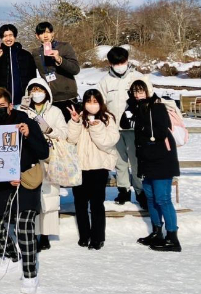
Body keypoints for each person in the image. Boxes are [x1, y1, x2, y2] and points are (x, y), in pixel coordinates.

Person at [0, 87, 49, 294]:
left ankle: (30, 274)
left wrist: (30, 135)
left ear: (10, 105)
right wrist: (5, 175)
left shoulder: (26, 121)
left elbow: (44, 152)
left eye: (2, 106)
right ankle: (14, 255)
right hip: (3, 181)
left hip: (28, 178)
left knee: (24, 227)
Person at [121, 79, 181, 252]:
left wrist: (141, 121)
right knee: (151, 197)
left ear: (148, 91)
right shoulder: (134, 107)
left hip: (162, 159)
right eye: (135, 92)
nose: (138, 95)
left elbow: (162, 131)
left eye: (141, 91)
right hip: (146, 160)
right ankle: (157, 232)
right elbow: (125, 124)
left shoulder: (157, 106)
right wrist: (131, 114)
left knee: (162, 198)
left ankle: (172, 237)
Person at [19, 78, 69, 251]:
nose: (36, 93)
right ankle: (31, 232)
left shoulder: (55, 111)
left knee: (49, 195)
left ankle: (46, 234)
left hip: (49, 156)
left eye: (40, 90)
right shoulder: (23, 110)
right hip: (30, 155)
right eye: (33, 90)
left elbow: (64, 133)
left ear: (46, 92)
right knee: (32, 194)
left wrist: (48, 130)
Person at [66, 89, 119, 250]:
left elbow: (107, 142)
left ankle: (97, 237)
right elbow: (70, 140)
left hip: (99, 167)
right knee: (80, 203)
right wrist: (74, 122)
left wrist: (97, 127)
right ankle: (84, 235)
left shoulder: (108, 118)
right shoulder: (80, 117)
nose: (92, 105)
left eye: (95, 102)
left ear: (100, 102)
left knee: (96, 203)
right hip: (80, 166)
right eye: (88, 102)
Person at [98, 46, 146, 207]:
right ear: (110, 63)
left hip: (135, 128)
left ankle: (140, 191)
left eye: (122, 62)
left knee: (137, 160)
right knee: (120, 161)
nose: (119, 65)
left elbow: (149, 97)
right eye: (115, 63)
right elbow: (100, 103)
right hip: (114, 129)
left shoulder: (137, 77)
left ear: (127, 61)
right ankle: (123, 190)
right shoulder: (105, 81)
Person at [30, 22, 81, 121]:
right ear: (37, 36)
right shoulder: (35, 53)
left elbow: (75, 69)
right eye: (41, 33)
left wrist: (59, 59)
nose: (45, 36)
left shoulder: (65, 47)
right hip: (49, 100)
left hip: (68, 98)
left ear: (53, 33)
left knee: (71, 129)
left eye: (48, 32)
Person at [0, 24, 36, 106]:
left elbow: (33, 77)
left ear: (15, 36)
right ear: (1, 38)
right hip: (2, 102)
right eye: (5, 36)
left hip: (23, 101)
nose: (8, 38)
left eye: (10, 35)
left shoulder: (26, 55)